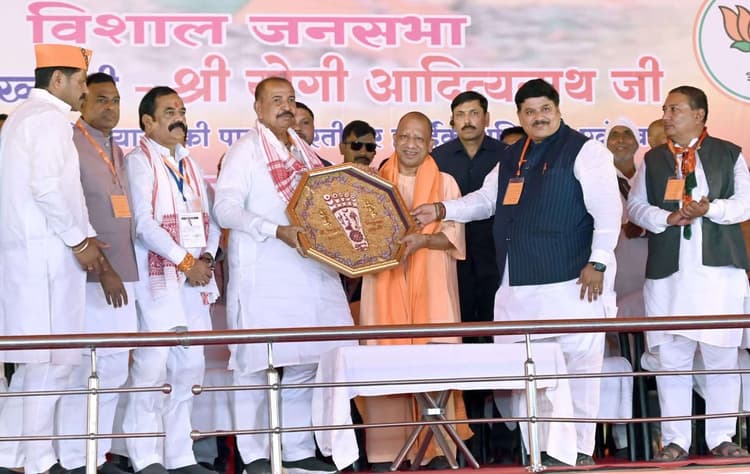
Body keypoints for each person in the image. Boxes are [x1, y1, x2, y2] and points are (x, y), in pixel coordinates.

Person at [413, 78, 621, 467]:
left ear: (558, 110)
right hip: (518, 286)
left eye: (545, 109)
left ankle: (578, 450)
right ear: (520, 117)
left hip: (572, 282)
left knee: (577, 371)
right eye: (529, 111)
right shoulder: (512, 157)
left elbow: (608, 210)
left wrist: (599, 261)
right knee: (528, 375)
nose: (538, 117)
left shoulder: (586, 151)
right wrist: (442, 209)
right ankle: (539, 450)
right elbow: (485, 200)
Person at [213, 76, 352, 474]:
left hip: (311, 276)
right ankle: (255, 454)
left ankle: (295, 448)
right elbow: (224, 210)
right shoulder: (245, 151)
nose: (286, 106)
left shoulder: (306, 156)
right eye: (276, 100)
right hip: (265, 277)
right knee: (256, 366)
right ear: (258, 108)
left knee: (309, 362)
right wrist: (274, 230)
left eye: (290, 99)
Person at [0, 43, 108, 474]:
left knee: (36, 368)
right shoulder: (46, 120)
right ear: (58, 79)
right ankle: (39, 462)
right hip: (46, 260)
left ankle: (10, 456)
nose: (85, 90)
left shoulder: (25, 117)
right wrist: (80, 242)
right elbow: (47, 189)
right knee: (50, 367)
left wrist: (85, 234)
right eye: (81, 81)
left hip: (36, 259)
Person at [627, 85, 750, 461]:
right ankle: (675, 439)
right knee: (672, 359)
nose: (666, 116)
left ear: (699, 114)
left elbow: (745, 203)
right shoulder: (653, 159)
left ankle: (721, 437)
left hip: (719, 276)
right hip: (668, 277)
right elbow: (635, 207)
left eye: (675, 110)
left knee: (721, 359)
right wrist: (668, 217)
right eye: (665, 109)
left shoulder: (729, 153)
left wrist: (710, 209)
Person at [359, 111, 469, 470]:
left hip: (433, 290)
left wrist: (422, 240)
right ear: (394, 139)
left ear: (430, 144)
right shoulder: (373, 183)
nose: (410, 144)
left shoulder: (446, 184)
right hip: (382, 284)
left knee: (435, 363)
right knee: (384, 363)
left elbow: (453, 238)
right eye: (404, 137)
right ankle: (386, 451)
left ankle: (438, 449)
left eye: (419, 139)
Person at [123, 86, 220, 474]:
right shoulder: (138, 162)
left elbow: (211, 219)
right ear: (147, 122)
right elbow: (144, 224)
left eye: (181, 110)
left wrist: (207, 256)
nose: (179, 118)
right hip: (159, 279)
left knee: (190, 368)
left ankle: (179, 455)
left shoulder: (190, 163)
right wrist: (186, 262)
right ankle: (145, 457)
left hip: (195, 280)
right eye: (169, 112)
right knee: (153, 367)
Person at [54, 71, 137, 474]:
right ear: (82, 102)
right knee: (85, 371)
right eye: (101, 99)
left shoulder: (117, 149)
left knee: (115, 370)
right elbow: (71, 213)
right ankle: (73, 459)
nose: (110, 107)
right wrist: (103, 269)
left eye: (116, 100)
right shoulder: (70, 144)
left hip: (125, 275)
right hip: (90, 277)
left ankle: (96, 455)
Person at [430, 91, 505, 463]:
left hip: (498, 264)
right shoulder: (437, 158)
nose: (468, 120)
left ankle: (503, 436)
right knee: (460, 346)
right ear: (452, 121)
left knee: (497, 345)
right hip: (452, 265)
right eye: (460, 114)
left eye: (474, 113)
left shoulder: (506, 156)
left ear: (487, 118)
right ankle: (465, 433)